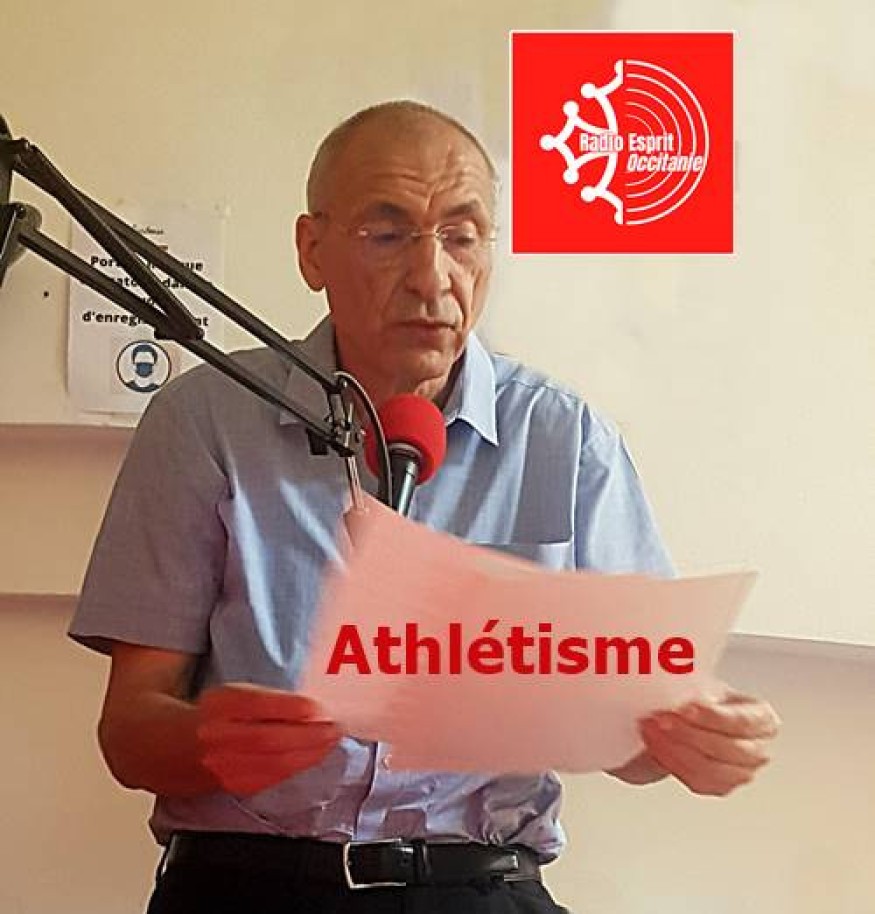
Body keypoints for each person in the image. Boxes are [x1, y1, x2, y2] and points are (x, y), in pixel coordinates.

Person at [70, 101, 780, 914]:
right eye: (386, 233)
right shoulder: (207, 419)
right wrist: (208, 741)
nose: (432, 276)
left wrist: (693, 737)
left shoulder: (564, 438)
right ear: (311, 249)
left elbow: (637, 733)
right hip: (250, 883)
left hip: (476, 884)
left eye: (462, 236)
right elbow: (129, 735)